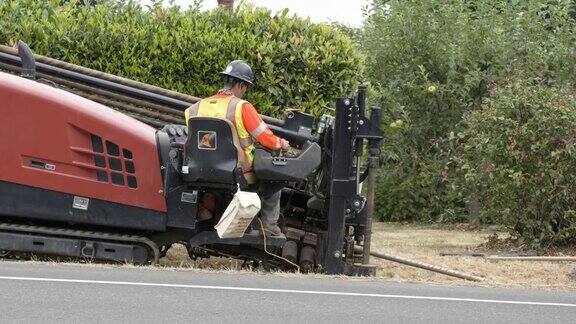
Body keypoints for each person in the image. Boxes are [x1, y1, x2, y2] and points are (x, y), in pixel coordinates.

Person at [184, 60, 289, 237]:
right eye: (245, 87)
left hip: (201, 168)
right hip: (238, 170)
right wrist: (281, 144)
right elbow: (265, 137)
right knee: (275, 179)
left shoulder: (195, 109)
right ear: (241, 85)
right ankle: (269, 225)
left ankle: (207, 210)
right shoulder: (241, 107)